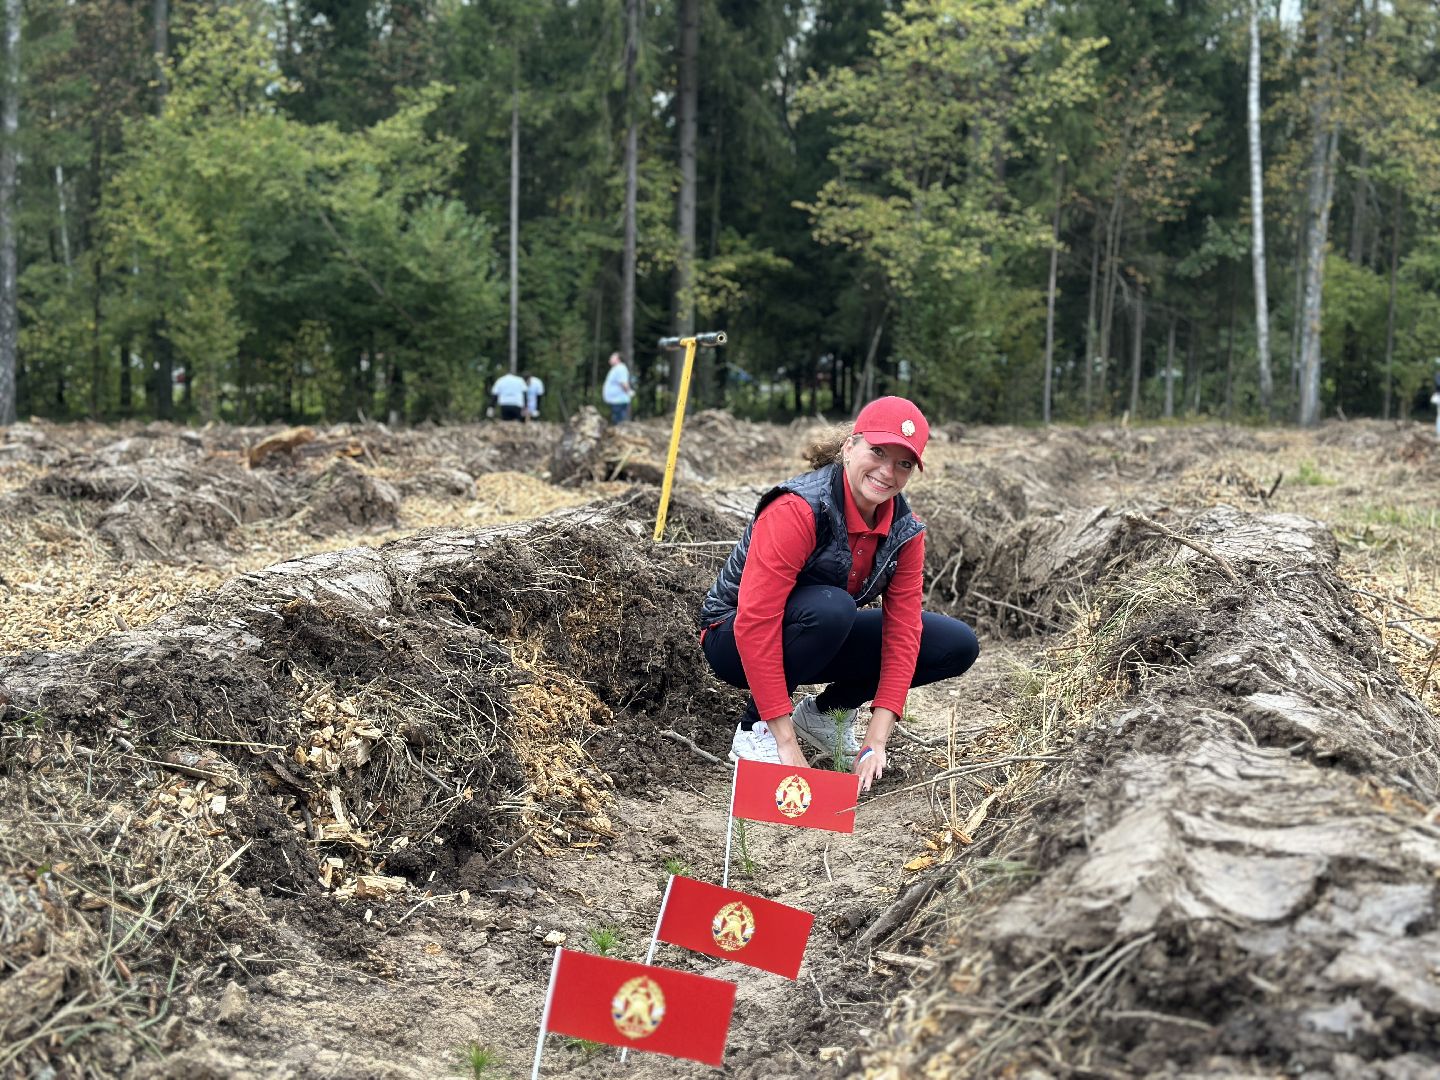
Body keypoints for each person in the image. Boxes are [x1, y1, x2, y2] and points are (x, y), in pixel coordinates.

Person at [698, 396, 979, 793]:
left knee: (954, 644)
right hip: (732, 636)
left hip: (813, 635)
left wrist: (876, 741)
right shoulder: (797, 509)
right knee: (833, 609)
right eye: (877, 452)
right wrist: (786, 744)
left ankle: (825, 716)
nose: (887, 472)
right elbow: (756, 621)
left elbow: (903, 635)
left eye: (903, 463)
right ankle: (754, 728)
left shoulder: (906, 531)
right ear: (849, 447)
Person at [602, 351, 633, 424]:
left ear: (618, 359)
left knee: (618, 422)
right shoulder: (616, 368)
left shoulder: (620, 368)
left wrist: (629, 392)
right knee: (616, 420)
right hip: (616, 400)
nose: (610, 358)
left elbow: (624, 383)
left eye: (613, 357)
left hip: (619, 400)